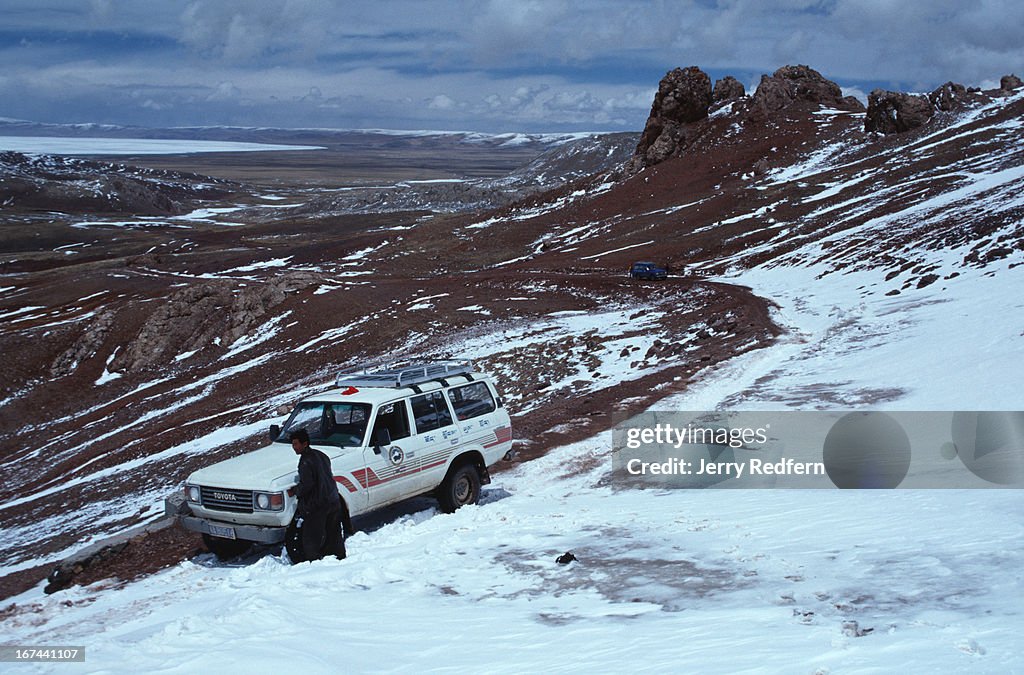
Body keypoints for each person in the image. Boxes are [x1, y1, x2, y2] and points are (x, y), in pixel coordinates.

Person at [286, 429, 346, 562]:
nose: (294, 447)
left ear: (305, 443)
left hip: (317, 505)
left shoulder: (305, 461)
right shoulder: (322, 455)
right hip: (333, 499)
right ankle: (339, 558)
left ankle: (312, 563)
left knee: (311, 537)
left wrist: (295, 490)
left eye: (296, 444)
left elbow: (308, 484)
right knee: (334, 533)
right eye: (293, 444)